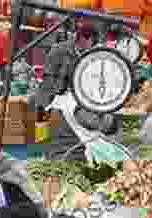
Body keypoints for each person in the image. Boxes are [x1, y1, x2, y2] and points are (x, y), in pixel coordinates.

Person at [31, 20, 118, 161]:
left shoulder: (91, 54)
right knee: (44, 136)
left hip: (75, 100)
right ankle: (46, 153)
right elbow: (48, 83)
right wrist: (51, 103)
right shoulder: (59, 51)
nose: (92, 46)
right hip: (54, 99)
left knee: (75, 136)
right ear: (83, 38)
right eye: (91, 41)